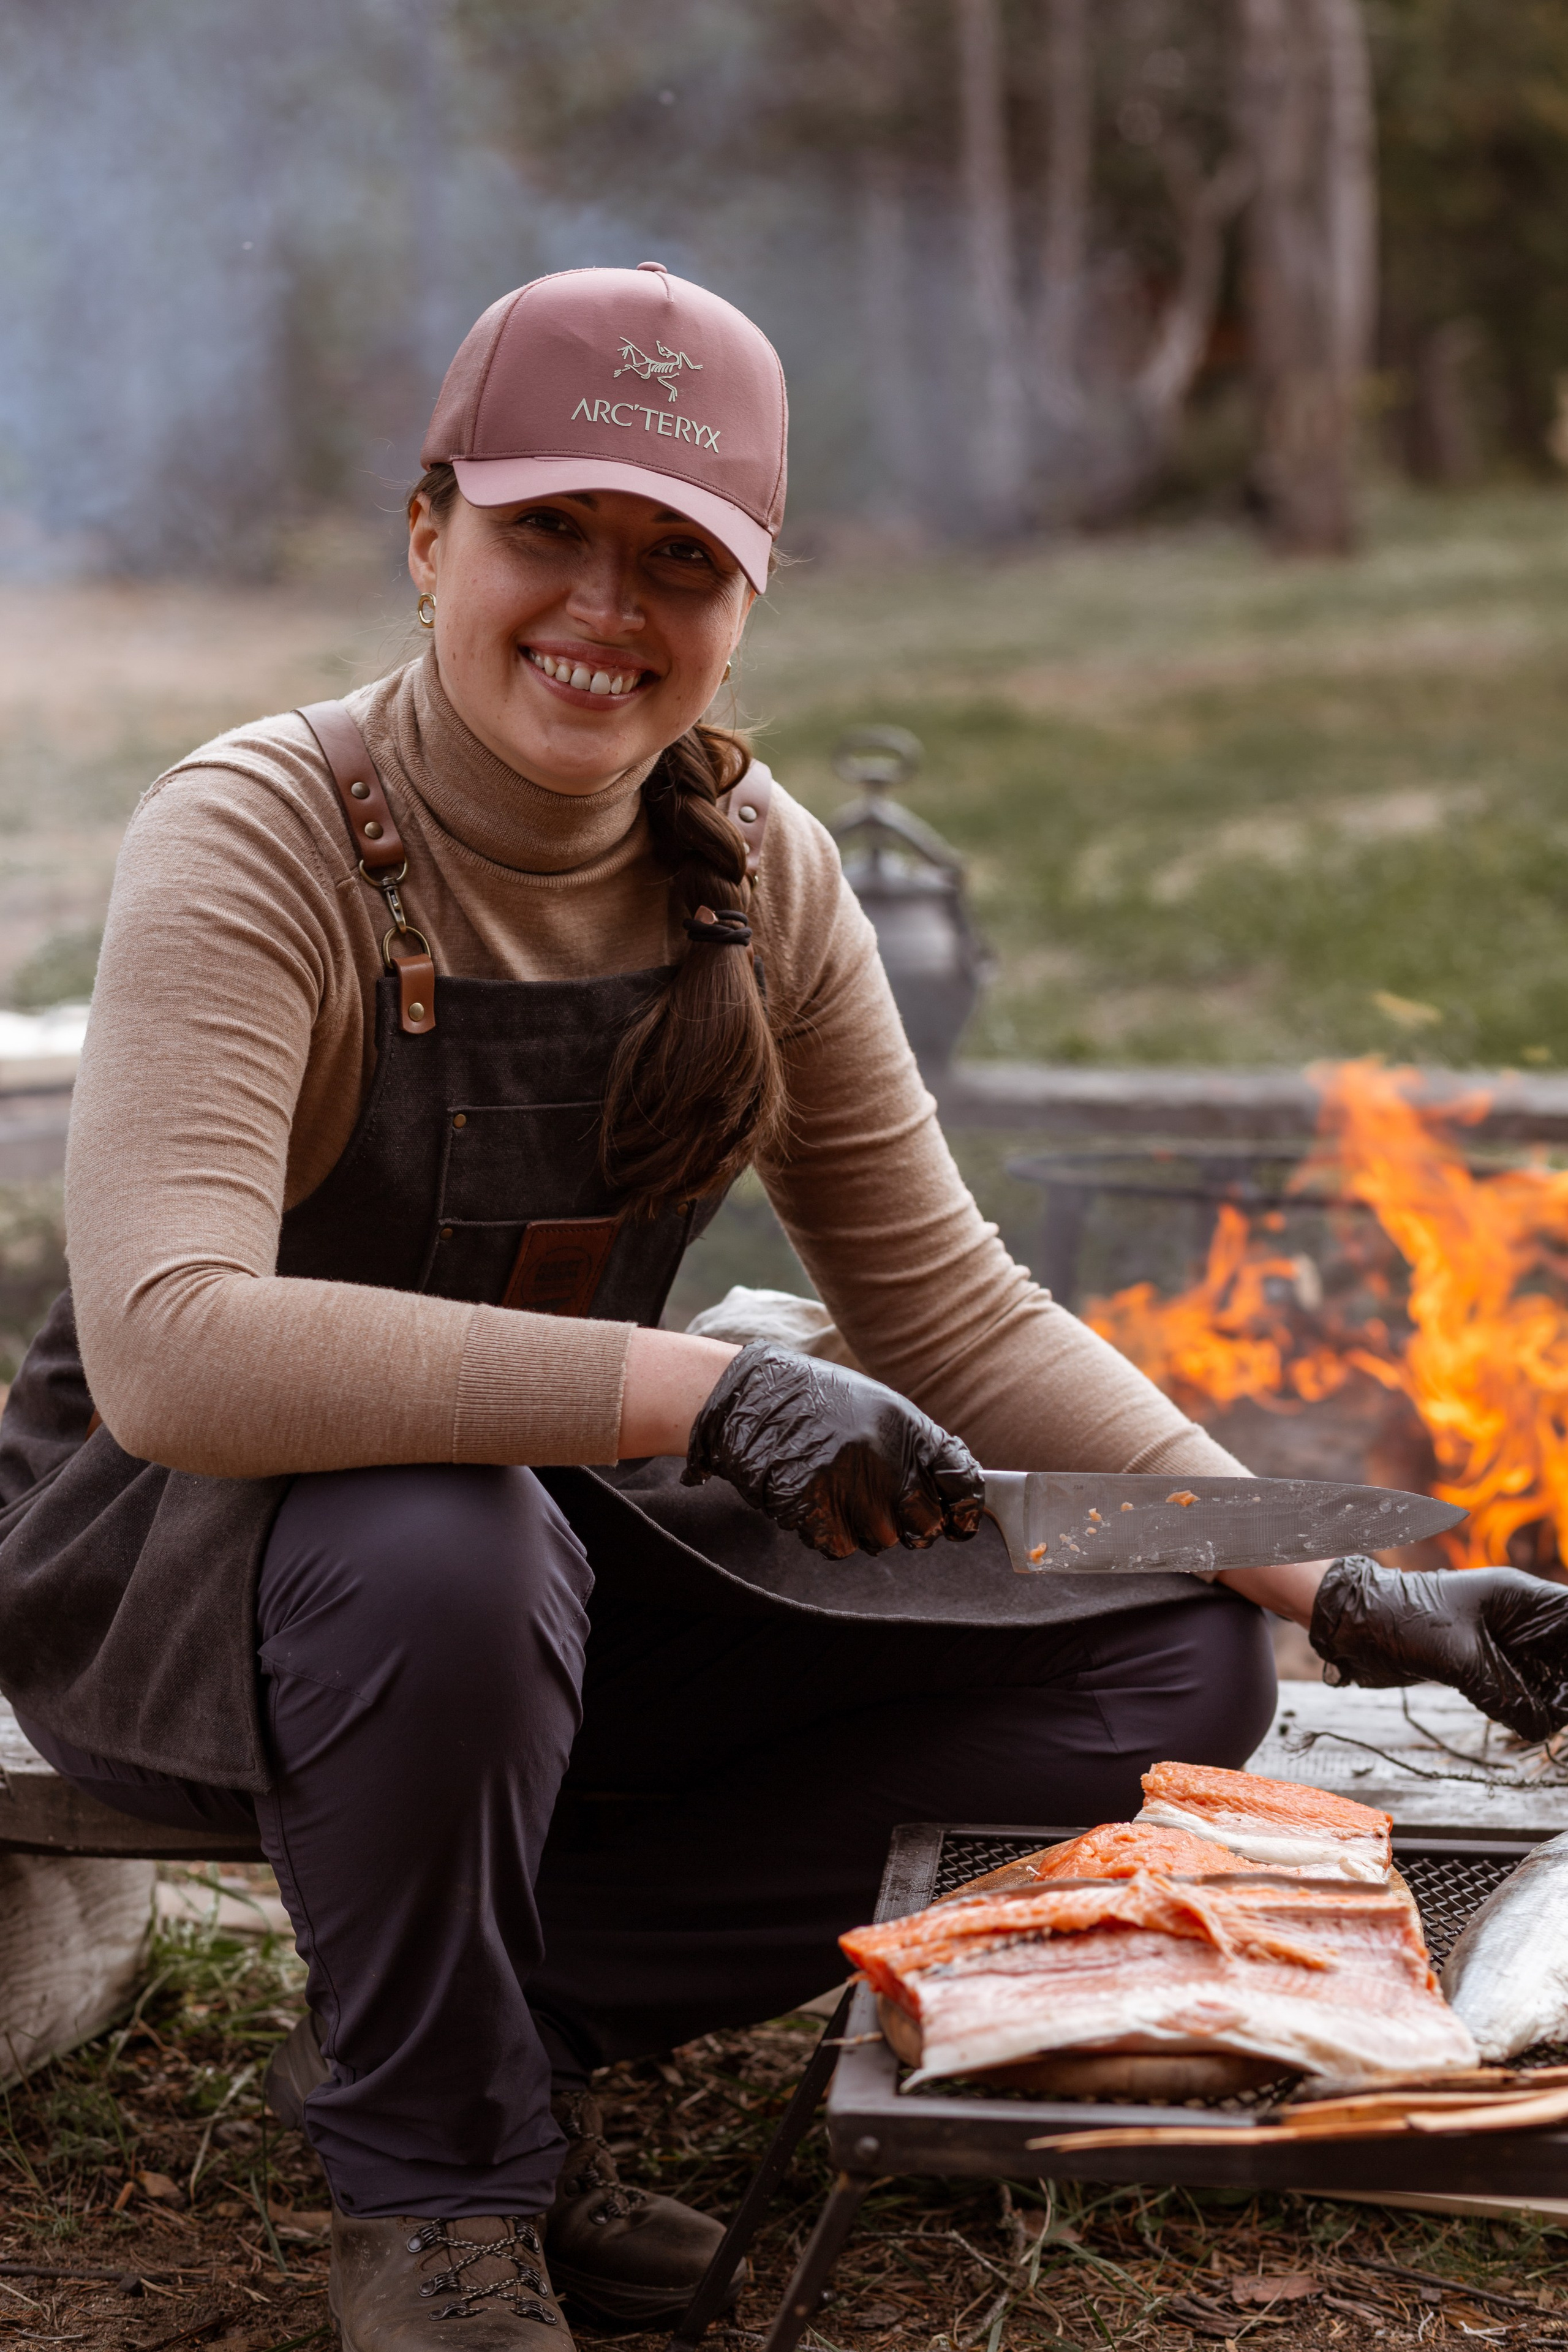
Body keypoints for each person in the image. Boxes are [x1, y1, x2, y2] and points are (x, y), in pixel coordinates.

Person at [1, 264, 1566, 2352]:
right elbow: (177, 1345)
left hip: (573, 1514)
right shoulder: (261, 834)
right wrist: (714, 1396)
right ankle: (436, 2189)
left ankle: (494, 2029)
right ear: (425, 531)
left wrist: (1353, 1579)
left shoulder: (760, 869)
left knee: (1175, 1654)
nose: (603, 605)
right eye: (546, 530)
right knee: (441, 1535)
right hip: (194, 1548)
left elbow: (961, 1311)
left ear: (750, 598)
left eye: (677, 558)